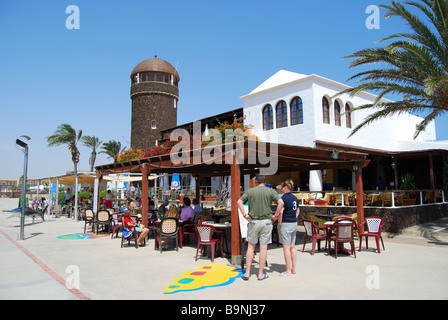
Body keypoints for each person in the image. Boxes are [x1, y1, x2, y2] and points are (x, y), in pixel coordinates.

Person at [237, 174, 284, 281]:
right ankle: (261, 274)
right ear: (265, 182)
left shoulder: (250, 191)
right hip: (266, 221)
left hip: (253, 221)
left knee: (250, 246)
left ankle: (247, 273)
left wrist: (244, 215)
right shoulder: (270, 191)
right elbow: (281, 202)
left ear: (256, 182)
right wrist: (275, 216)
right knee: (263, 247)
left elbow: (239, 202)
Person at [274, 180, 300, 277]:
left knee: (286, 247)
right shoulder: (295, 198)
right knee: (292, 246)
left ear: (285, 188)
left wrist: (279, 222)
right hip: (294, 222)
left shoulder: (283, 198)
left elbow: (280, 212)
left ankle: (288, 271)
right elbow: (298, 210)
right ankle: (294, 268)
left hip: (286, 223)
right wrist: (294, 218)